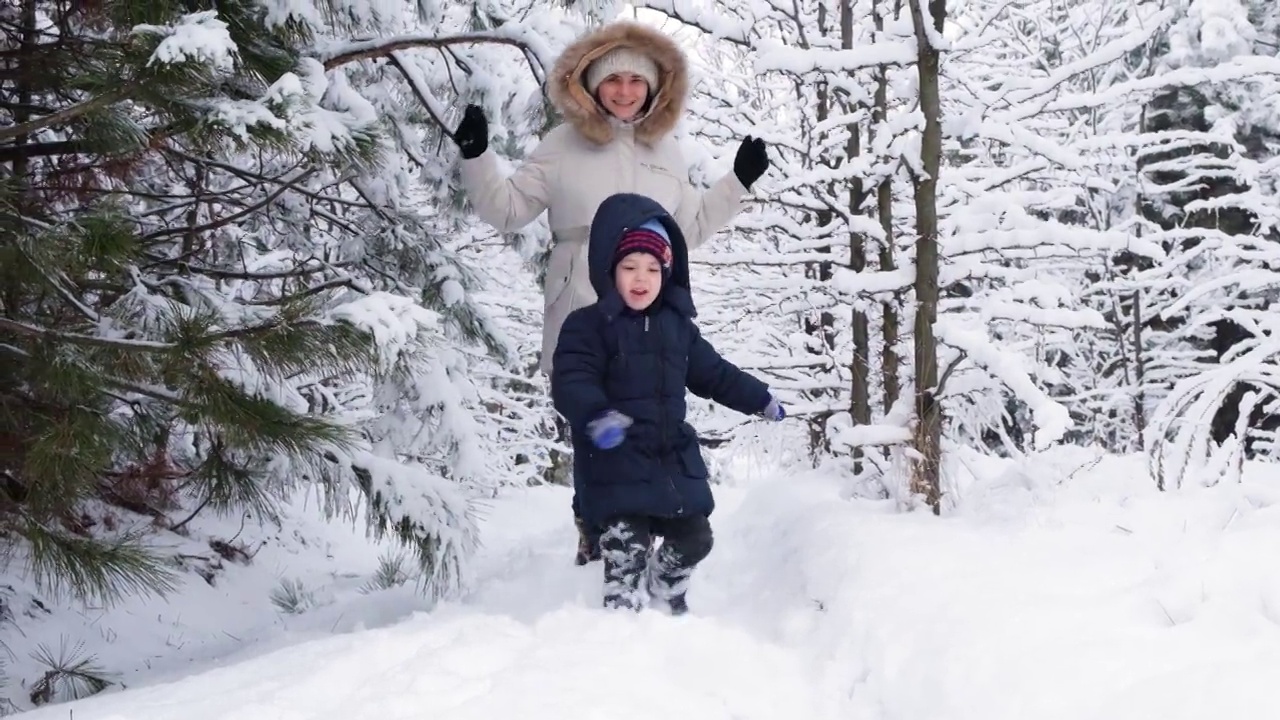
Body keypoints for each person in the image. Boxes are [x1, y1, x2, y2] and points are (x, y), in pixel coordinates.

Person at [450, 20, 770, 566]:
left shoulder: (666, 151)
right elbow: (506, 209)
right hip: (581, 299)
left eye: (636, 81)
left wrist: (736, 185)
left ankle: (651, 522)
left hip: (652, 303)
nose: (625, 90)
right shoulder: (562, 145)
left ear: (653, 88)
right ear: (592, 86)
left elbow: (685, 231)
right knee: (593, 417)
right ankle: (594, 529)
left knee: (649, 413)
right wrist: (477, 159)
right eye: (613, 79)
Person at [549, 192, 786, 614]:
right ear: (610, 270)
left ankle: (665, 588)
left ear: (668, 272)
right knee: (628, 540)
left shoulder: (678, 329)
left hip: (668, 458)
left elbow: (716, 374)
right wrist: (596, 415)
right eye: (629, 267)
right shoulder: (588, 327)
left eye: (652, 268)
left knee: (697, 537)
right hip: (615, 462)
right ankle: (620, 613)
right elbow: (572, 379)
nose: (641, 278)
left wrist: (760, 398)